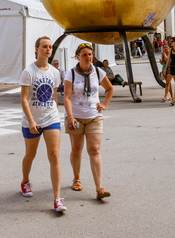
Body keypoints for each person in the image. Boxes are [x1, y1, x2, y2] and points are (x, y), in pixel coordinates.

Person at [19, 36, 66, 211]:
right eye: (44, 46)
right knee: (30, 154)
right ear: (37, 49)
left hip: (51, 118)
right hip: (32, 120)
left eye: (50, 47)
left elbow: (53, 96)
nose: (48, 49)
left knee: (54, 155)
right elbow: (24, 99)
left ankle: (57, 198)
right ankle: (25, 181)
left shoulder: (54, 72)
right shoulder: (29, 71)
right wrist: (31, 121)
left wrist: (56, 113)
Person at [64, 43, 114, 199]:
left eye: (90, 54)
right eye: (84, 55)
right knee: (77, 149)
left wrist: (104, 105)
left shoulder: (98, 71)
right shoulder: (71, 74)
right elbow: (67, 96)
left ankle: (99, 188)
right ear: (77, 56)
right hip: (76, 117)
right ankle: (76, 178)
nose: (88, 57)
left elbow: (110, 88)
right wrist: (70, 116)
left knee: (94, 149)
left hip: (94, 116)